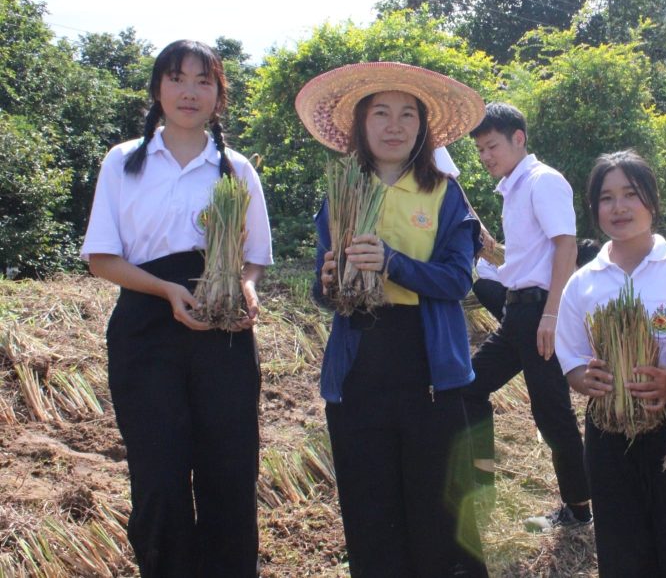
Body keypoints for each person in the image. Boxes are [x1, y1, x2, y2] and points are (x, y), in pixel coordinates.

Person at [81, 39, 273, 577]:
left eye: (203, 81)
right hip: (146, 329)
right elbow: (101, 258)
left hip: (223, 329)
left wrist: (247, 288)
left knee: (229, 471)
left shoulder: (236, 169)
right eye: (177, 78)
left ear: (219, 96)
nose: (190, 92)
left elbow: (255, 259)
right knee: (159, 475)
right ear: (157, 89)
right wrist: (166, 290)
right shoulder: (124, 161)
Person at [295, 61, 488, 577]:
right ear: (361, 124)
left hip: (428, 371)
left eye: (408, 114)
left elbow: (458, 281)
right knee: (370, 513)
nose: (394, 125)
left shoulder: (444, 193)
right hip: (359, 368)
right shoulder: (341, 193)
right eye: (381, 113)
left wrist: (392, 263)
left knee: (436, 513)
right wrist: (328, 282)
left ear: (423, 127)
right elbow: (324, 291)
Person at [555, 150, 666, 576]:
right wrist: (584, 379)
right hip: (609, 434)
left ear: (652, 199)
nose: (619, 207)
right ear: (594, 208)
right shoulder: (583, 283)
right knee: (623, 551)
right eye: (606, 197)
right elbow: (571, 357)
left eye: (630, 193)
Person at [462, 102, 591, 531]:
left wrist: (552, 314)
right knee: (468, 388)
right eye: (480, 150)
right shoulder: (513, 189)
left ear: (518, 139)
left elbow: (566, 247)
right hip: (518, 313)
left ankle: (579, 508)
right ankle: (479, 486)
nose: (485, 157)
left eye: (492, 146)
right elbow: (524, 259)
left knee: (551, 411)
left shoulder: (542, 180)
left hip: (540, 312)